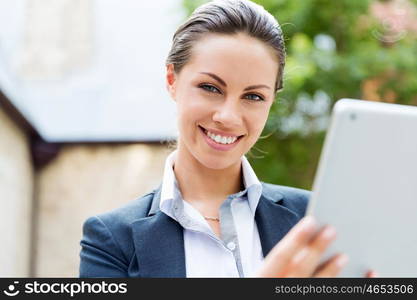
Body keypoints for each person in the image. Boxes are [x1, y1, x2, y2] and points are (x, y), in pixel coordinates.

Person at [79, 0, 375, 278]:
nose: (228, 116)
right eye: (210, 87)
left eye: (253, 96)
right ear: (172, 80)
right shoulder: (111, 240)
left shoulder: (314, 222)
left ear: (271, 101)